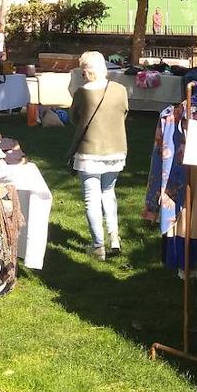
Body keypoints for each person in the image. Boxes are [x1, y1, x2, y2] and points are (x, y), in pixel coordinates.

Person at [68, 51, 129, 260]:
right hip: (116, 149)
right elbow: (125, 112)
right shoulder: (119, 90)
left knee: (91, 198)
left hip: (89, 152)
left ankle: (98, 245)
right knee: (108, 193)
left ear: (85, 71)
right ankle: (114, 237)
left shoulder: (81, 93)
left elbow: (74, 119)